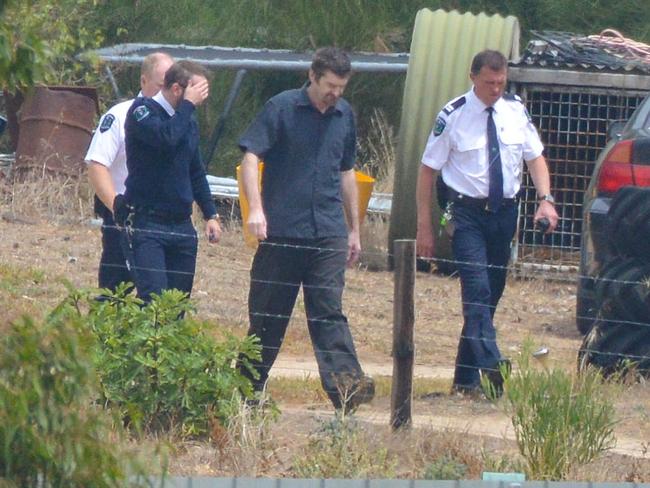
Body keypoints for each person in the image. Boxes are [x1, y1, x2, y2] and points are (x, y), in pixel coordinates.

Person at [416, 49, 559, 397]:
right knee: (476, 288)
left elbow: (535, 158)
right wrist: (424, 225)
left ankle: (465, 381)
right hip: (464, 213)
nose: (495, 88)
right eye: (488, 82)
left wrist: (546, 200)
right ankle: (492, 363)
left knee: (491, 294)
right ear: (473, 77)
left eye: (500, 82)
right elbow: (427, 171)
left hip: (504, 213)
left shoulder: (515, 111)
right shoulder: (453, 115)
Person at [238, 47, 374, 411]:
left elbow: (347, 173)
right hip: (282, 230)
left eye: (342, 87)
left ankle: (347, 389)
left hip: (328, 231)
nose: (336, 94)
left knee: (328, 311)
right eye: (330, 85)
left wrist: (354, 230)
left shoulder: (345, 115)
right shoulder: (281, 108)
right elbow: (251, 157)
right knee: (269, 315)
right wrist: (256, 210)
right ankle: (247, 391)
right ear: (312, 76)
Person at [119, 60, 221, 302]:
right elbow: (166, 139)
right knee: (154, 304)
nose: (200, 100)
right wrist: (186, 106)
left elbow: (195, 170)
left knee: (176, 306)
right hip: (148, 223)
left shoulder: (187, 121)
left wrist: (211, 214)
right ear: (177, 89)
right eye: (196, 91)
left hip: (181, 225)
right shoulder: (142, 111)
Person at [85, 52, 173, 292]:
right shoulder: (119, 116)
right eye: (161, 86)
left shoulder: (178, 121)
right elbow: (97, 164)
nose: (168, 94)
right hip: (126, 213)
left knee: (159, 293)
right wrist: (117, 207)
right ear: (143, 81)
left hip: (164, 218)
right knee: (117, 289)